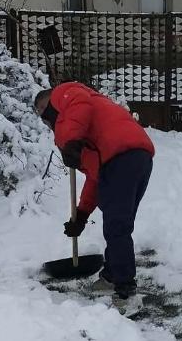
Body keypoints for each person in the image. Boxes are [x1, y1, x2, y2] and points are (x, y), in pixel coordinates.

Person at [34, 82, 154, 306]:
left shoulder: (66, 94)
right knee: (118, 221)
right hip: (136, 158)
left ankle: (126, 292)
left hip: (122, 157)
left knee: (117, 226)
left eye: (42, 111)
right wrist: (81, 214)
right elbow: (95, 177)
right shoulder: (91, 132)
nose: (44, 118)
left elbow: (80, 103)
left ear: (48, 103)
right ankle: (111, 275)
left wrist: (69, 140)